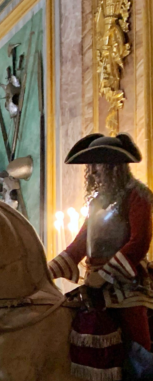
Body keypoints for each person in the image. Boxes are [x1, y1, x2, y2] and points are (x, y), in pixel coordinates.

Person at [48, 133, 153, 352]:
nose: (93, 171)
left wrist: (104, 274)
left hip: (128, 286)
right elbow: (80, 244)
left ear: (114, 166)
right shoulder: (97, 203)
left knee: (138, 346)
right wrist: (47, 270)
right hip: (94, 284)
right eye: (92, 165)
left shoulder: (138, 196)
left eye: (98, 164)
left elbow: (139, 242)